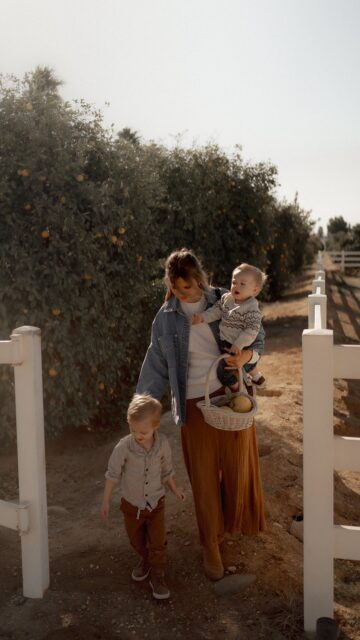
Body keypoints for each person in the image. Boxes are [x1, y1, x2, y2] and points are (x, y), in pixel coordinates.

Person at [136, 248, 266, 581]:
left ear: (200, 280)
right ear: (171, 284)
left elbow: (259, 337)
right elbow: (155, 365)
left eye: (191, 287)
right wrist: (141, 406)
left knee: (236, 466)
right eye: (179, 289)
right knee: (204, 479)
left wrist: (247, 355)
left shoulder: (225, 299)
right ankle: (210, 544)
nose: (186, 294)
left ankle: (229, 528)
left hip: (231, 394)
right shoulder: (165, 318)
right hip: (195, 404)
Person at [101, 393, 185, 600]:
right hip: (132, 505)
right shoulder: (124, 447)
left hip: (156, 503)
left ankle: (157, 575)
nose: (137, 434)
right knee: (136, 541)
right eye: (133, 430)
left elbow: (167, 470)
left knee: (157, 542)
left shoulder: (162, 444)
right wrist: (105, 501)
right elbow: (112, 474)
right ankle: (146, 560)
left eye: (143, 431)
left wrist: (175, 489)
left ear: (156, 426)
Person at [192, 262, 266, 391]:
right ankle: (256, 377)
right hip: (226, 343)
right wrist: (203, 317)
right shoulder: (227, 299)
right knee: (243, 365)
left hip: (242, 345)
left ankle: (238, 389)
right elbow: (216, 311)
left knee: (225, 370)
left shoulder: (252, 308)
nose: (236, 286)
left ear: (255, 290)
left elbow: (251, 330)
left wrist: (239, 344)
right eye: (234, 282)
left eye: (242, 284)